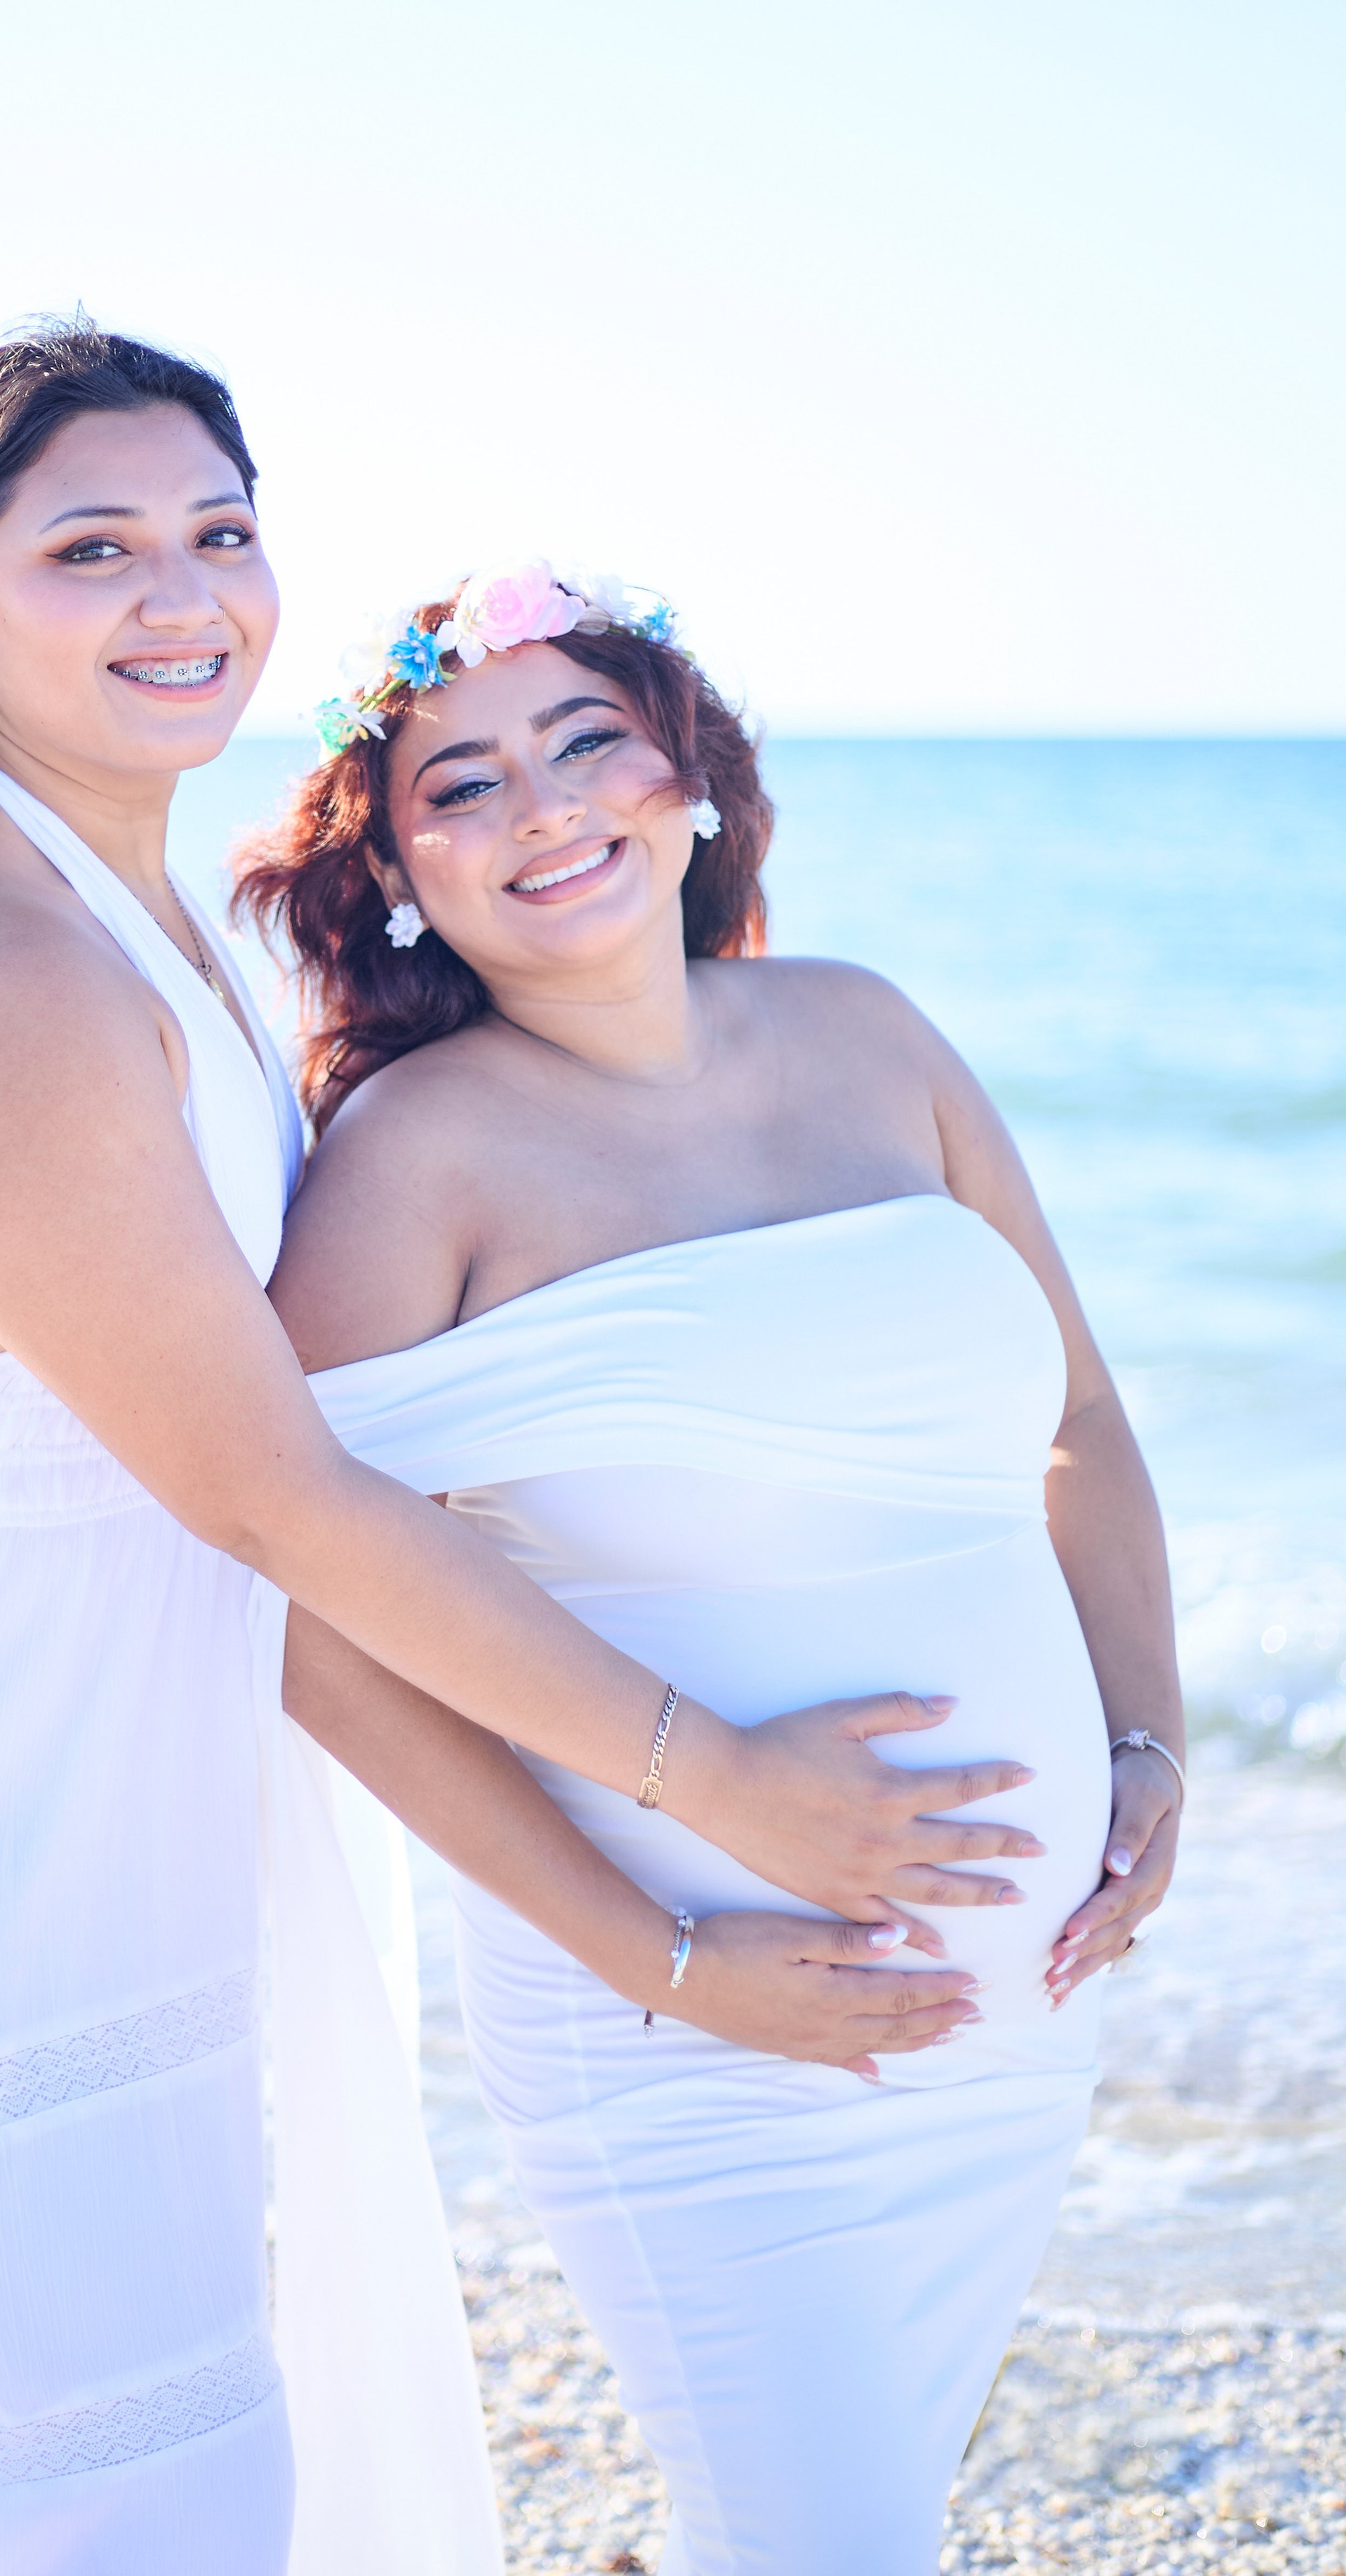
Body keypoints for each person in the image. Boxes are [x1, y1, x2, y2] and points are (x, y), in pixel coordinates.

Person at [0, 337, 1035, 2576]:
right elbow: (272, 1488)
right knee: (79, 2476)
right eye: (93, 548)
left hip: (117, 1732)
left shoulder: (118, 903)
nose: (181, 593)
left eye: (218, 531)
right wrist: (710, 1806)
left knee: (168, 2443)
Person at [239, 559, 1186, 2576]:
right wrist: (658, 1953)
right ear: (398, 872)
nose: (547, 806)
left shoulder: (871, 1034)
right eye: (463, 784)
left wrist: (1149, 1749)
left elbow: (1085, 1424)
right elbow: (295, 1607)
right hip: (696, 2031)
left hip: (1015, 2024)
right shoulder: (416, 1158)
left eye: (589, 741)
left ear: (689, 781)